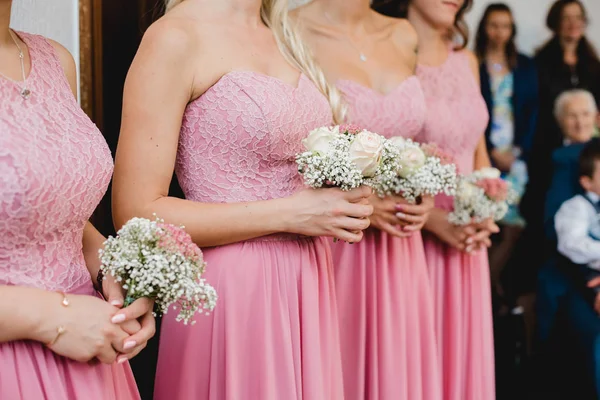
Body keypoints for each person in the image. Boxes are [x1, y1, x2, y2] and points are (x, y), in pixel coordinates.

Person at [112, 0, 374, 398]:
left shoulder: (284, 34)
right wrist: (289, 213)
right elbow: (135, 211)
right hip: (231, 287)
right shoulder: (175, 37)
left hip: (309, 278)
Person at [0, 0, 155, 398]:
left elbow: (48, 210)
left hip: (90, 358)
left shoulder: (55, 59)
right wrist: (51, 317)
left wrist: (112, 270)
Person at [292, 1, 440, 399]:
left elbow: (412, 141)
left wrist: (420, 191)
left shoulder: (404, 33)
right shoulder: (290, 28)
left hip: (402, 247)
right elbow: (283, 152)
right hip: (337, 236)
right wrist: (363, 208)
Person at [373, 1, 498, 399]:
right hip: (408, 231)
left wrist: (484, 211)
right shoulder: (387, 54)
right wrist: (435, 222)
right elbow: (376, 158)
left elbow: (480, 152)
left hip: (466, 242)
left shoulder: (468, 60)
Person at [519, 0, 600, 299]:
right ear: (555, 23)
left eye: (578, 18)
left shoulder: (593, 63)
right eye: (566, 18)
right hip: (551, 152)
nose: (572, 23)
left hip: (589, 152)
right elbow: (534, 114)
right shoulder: (540, 63)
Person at [474, 3, 538, 298]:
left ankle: (486, 290)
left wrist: (518, 151)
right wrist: (490, 150)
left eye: (506, 26)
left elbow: (532, 112)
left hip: (516, 159)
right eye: (494, 25)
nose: (500, 32)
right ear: (485, 27)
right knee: (489, 223)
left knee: (511, 228)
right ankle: (487, 292)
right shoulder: (473, 62)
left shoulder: (523, 65)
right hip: (484, 155)